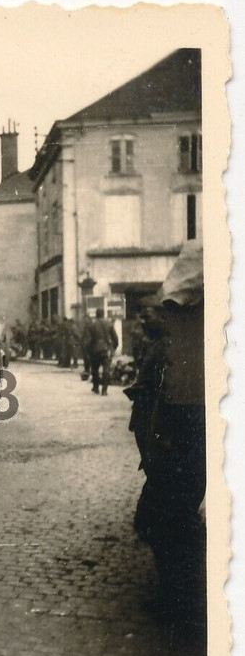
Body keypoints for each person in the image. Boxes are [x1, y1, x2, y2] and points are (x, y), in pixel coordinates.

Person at [125, 241, 205, 635]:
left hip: (172, 448)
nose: (143, 321)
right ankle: (178, 596)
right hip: (163, 446)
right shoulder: (161, 346)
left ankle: (181, 602)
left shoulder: (171, 348)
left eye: (148, 314)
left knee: (166, 520)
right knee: (165, 521)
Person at [86, 308, 119, 395]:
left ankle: (96, 388)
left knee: (95, 369)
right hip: (106, 349)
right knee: (106, 370)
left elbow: (89, 340)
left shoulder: (92, 325)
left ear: (96, 315)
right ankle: (104, 390)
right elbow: (116, 340)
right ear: (103, 314)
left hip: (95, 349)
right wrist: (112, 350)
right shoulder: (109, 324)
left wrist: (89, 350)